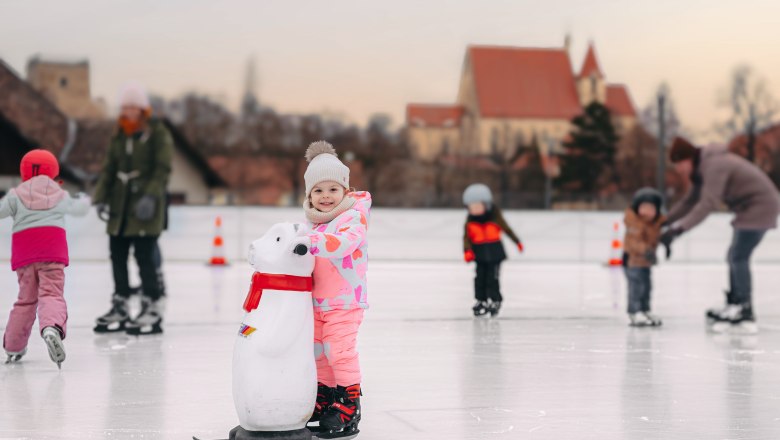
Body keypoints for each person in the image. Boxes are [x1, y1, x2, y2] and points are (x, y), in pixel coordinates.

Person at [661, 137, 780, 333]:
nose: (679, 171)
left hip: (760, 207)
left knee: (738, 256)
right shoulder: (703, 168)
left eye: (679, 165)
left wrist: (677, 230)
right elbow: (690, 201)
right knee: (735, 255)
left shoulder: (714, 166)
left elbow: (708, 203)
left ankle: (743, 308)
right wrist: (664, 222)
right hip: (750, 208)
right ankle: (736, 303)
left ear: (689, 158)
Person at [92, 82, 173, 335]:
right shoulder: (119, 133)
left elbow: (162, 169)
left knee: (144, 257)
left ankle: (152, 306)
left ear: (142, 109)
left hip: (145, 207)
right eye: (124, 107)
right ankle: (121, 304)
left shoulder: (157, 133)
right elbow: (109, 168)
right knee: (117, 254)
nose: (127, 112)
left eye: (132, 107)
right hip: (121, 204)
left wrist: (150, 197)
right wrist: (101, 197)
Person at [302, 141, 369, 437]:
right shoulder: (313, 226)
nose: (326, 197)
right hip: (317, 303)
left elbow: (344, 243)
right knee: (319, 352)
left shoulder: (352, 218)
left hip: (344, 301)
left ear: (345, 190)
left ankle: (348, 403)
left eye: (332, 189)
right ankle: (326, 398)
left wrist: (310, 244)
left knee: (338, 352)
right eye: (318, 191)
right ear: (309, 195)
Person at [0, 150, 90, 368]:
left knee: (26, 300)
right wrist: (84, 199)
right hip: (51, 252)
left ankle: (13, 347)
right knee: (51, 293)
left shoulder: (15, 194)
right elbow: (79, 210)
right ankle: (52, 327)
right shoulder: (59, 194)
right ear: (53, 171)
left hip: (25, 255)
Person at [462, 183, 523, 317]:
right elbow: (466, 238)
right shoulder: (470, 222)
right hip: (479, 253)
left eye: (478, 206)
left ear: (486, 205)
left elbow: (507, 230)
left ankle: (495, 300)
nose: (475, 210)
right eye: (472, 207)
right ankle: (481, 300)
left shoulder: (495, 219)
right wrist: (467, 250)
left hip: (494, 252)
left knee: (492, 278)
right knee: (479, 278)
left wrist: (517, 242)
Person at [623, 188, 665, 327]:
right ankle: (635, 311)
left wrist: (667, 243)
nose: (647, 211)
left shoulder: (656, 223)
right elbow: (634, 242)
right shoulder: (634, 222)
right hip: (632, 260)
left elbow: (658, 236)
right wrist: (646, 251)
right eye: (644, 207)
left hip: (645, 262)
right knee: (636, 286)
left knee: (647, 287)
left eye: (651, 208)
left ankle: (645, 309)